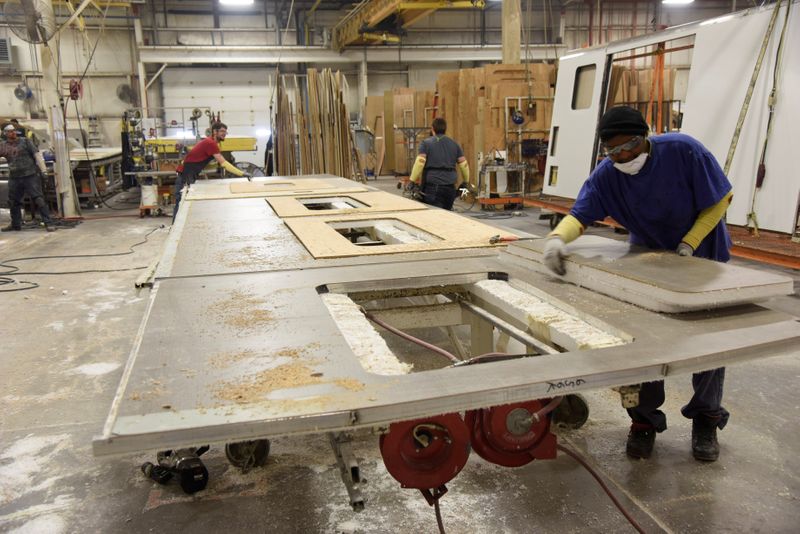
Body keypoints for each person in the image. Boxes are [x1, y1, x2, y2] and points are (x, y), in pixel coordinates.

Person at [543, 106, 734, 462]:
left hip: (703, 255)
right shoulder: (607, 176)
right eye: (612, 152)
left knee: (709, 343)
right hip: (649, 257)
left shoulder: (684, 151)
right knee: (645, 341)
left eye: (628, 147)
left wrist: (690, 242)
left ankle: (706, 418)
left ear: (645, 137)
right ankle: (643, 421)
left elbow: (721, 199)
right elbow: (580, 215)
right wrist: (557, 239)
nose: (623, 156)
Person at [173, 122, 247, 219]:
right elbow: (224, 163)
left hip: (189, 175)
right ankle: (175, 229)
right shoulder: (211, 143)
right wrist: (242, 173)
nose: (224, 133)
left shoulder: (211, 142)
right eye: (222, 131)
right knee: (181, 203)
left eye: (225, 131)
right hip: (185, 176)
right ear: (214, 132)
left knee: (184, 204)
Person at [1, 123, 55, 232]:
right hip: (14, 177)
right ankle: (16, 224)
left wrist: (44, 170)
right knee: (13, 201)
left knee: (38, 199)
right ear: (5, 134)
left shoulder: (25, 141)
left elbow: (37, 155)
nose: (13, 133)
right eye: (10, 131)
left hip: (30, 175)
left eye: (13, 130)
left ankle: (48, 223)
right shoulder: (3, 145)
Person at [409, 117, 469, 210]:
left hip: (433, 187)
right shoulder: (454, 144)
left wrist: (412, 180)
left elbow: (420, 163)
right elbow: (464, 165)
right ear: (445, 129)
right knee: (447, 214)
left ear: (432, 129)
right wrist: (466, 182)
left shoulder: (426, 143)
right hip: (450, 187)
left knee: (435, 217)